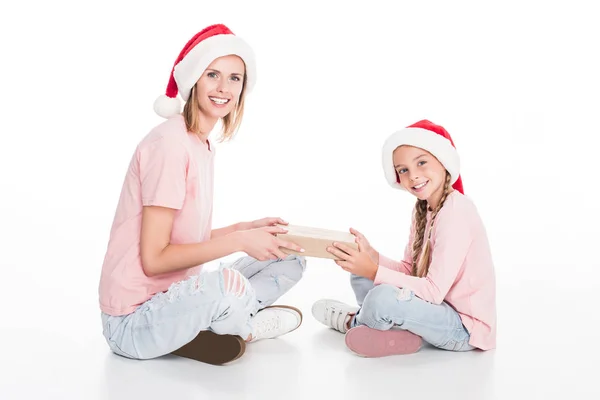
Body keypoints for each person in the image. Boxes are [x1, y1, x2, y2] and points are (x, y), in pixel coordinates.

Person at [98, 24, 308, 366]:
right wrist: (241, 241)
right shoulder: (170, 144)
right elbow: (155, 259)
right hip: (132, 321)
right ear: (195, 79)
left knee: (288, 256)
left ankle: (207, 326)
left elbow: (184, 240)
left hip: (174, 298)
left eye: (234, 78)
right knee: (228, 285)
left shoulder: (200, 143)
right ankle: (245, 326)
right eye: (213, 75)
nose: (224, 88)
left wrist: (246, 228)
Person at [311, 119, 496, 357]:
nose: (413, 176)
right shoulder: (424, 209)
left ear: (443, 161)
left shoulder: (457, 210)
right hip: (434, 310)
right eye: (403, 170)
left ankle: (354, 322)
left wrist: (374, 271)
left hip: (463, 328)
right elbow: (409, 270)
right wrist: (371, 256)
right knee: (361, 272)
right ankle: (397, 331)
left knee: (381, 296)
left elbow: (433, 292)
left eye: (421, 163)